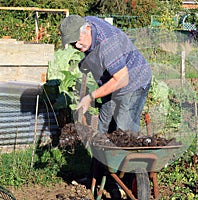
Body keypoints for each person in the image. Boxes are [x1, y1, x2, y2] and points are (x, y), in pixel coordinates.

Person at [59, 15, 152, 198]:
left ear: (86, 30)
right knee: (102, 131)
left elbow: (122, 79)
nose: (76, 46)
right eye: (72, 44)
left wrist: (90, 96)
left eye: (78, 41)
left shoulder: (107, 44)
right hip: (112, 81)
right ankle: (96, 176)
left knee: (124, 133)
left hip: (133, 81)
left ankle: (125, 181)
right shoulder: (83, 24)